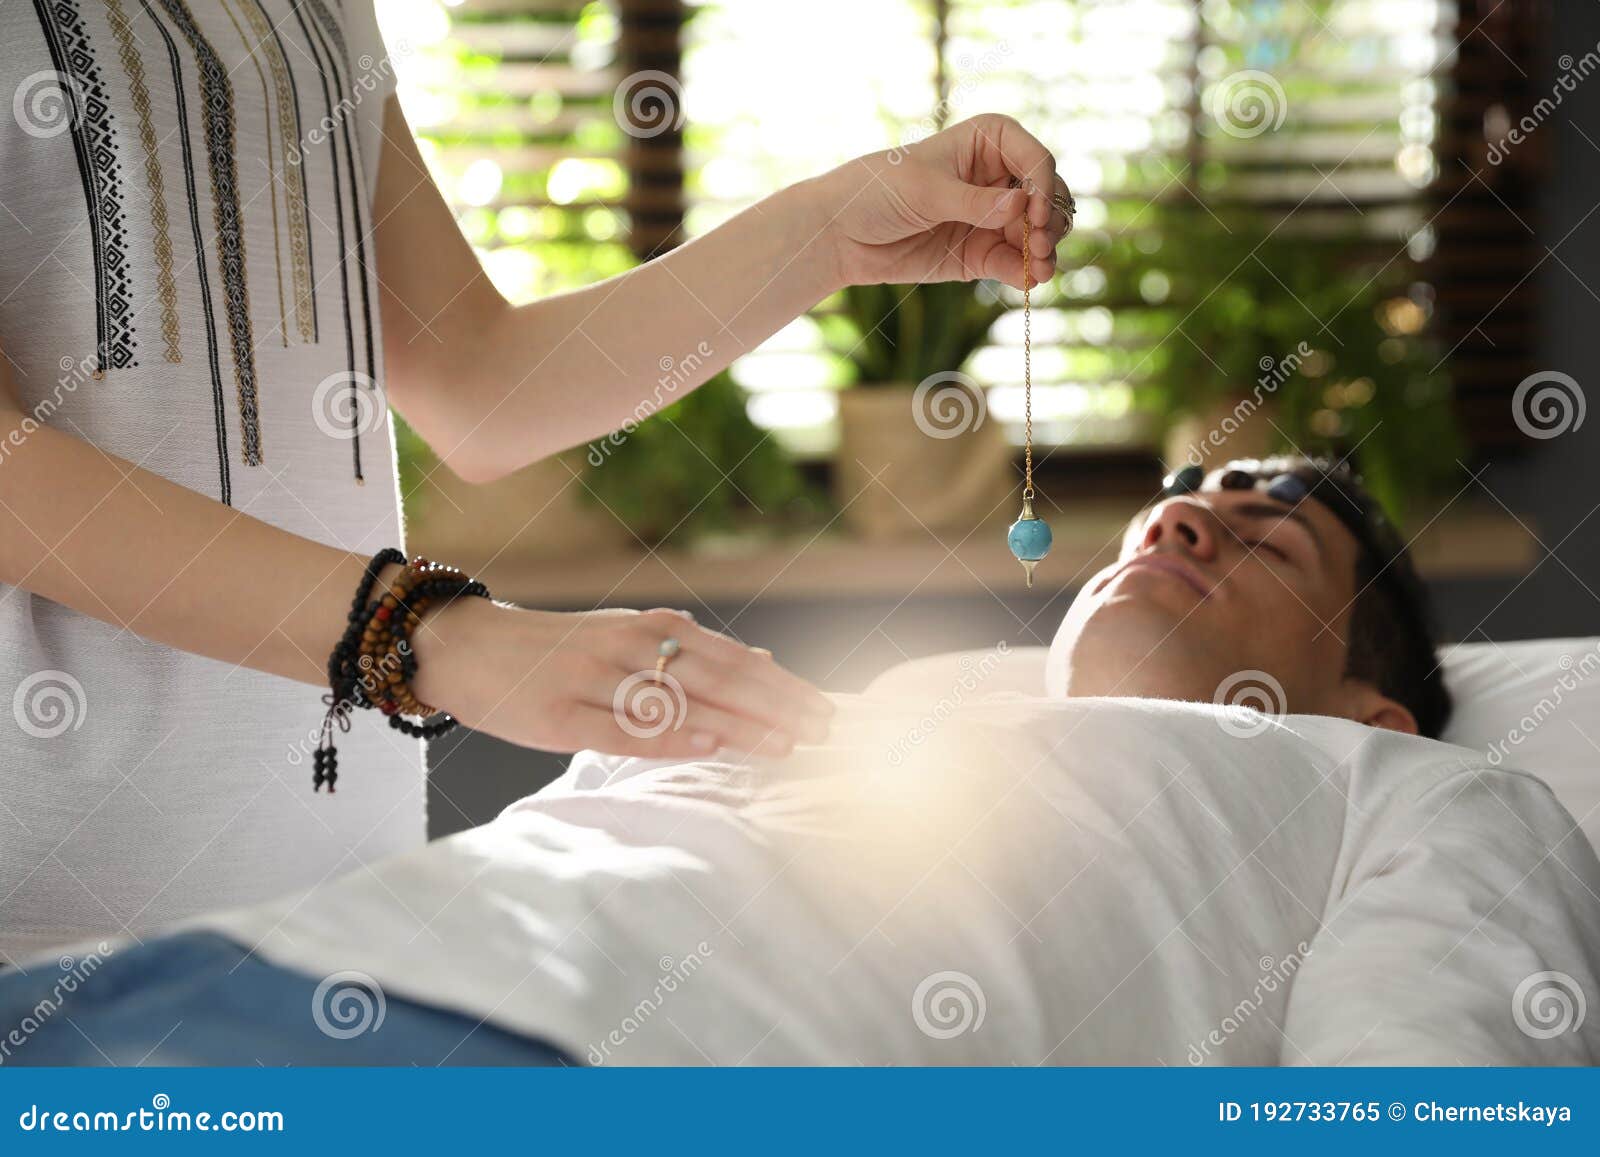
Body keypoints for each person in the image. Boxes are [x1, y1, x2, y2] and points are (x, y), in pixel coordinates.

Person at [0, 1, 1072, 961]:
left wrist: (832, 230)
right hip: (48, 918)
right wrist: (433, 633)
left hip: (339, 892)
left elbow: (478, 381)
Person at [14, 455, 1592, 1069]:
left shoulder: (1418, 790)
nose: (1186, 516)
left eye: (1268, 537)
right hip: (236, 981)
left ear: (1370, 706)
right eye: (1188, 497)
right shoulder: (820, 720)